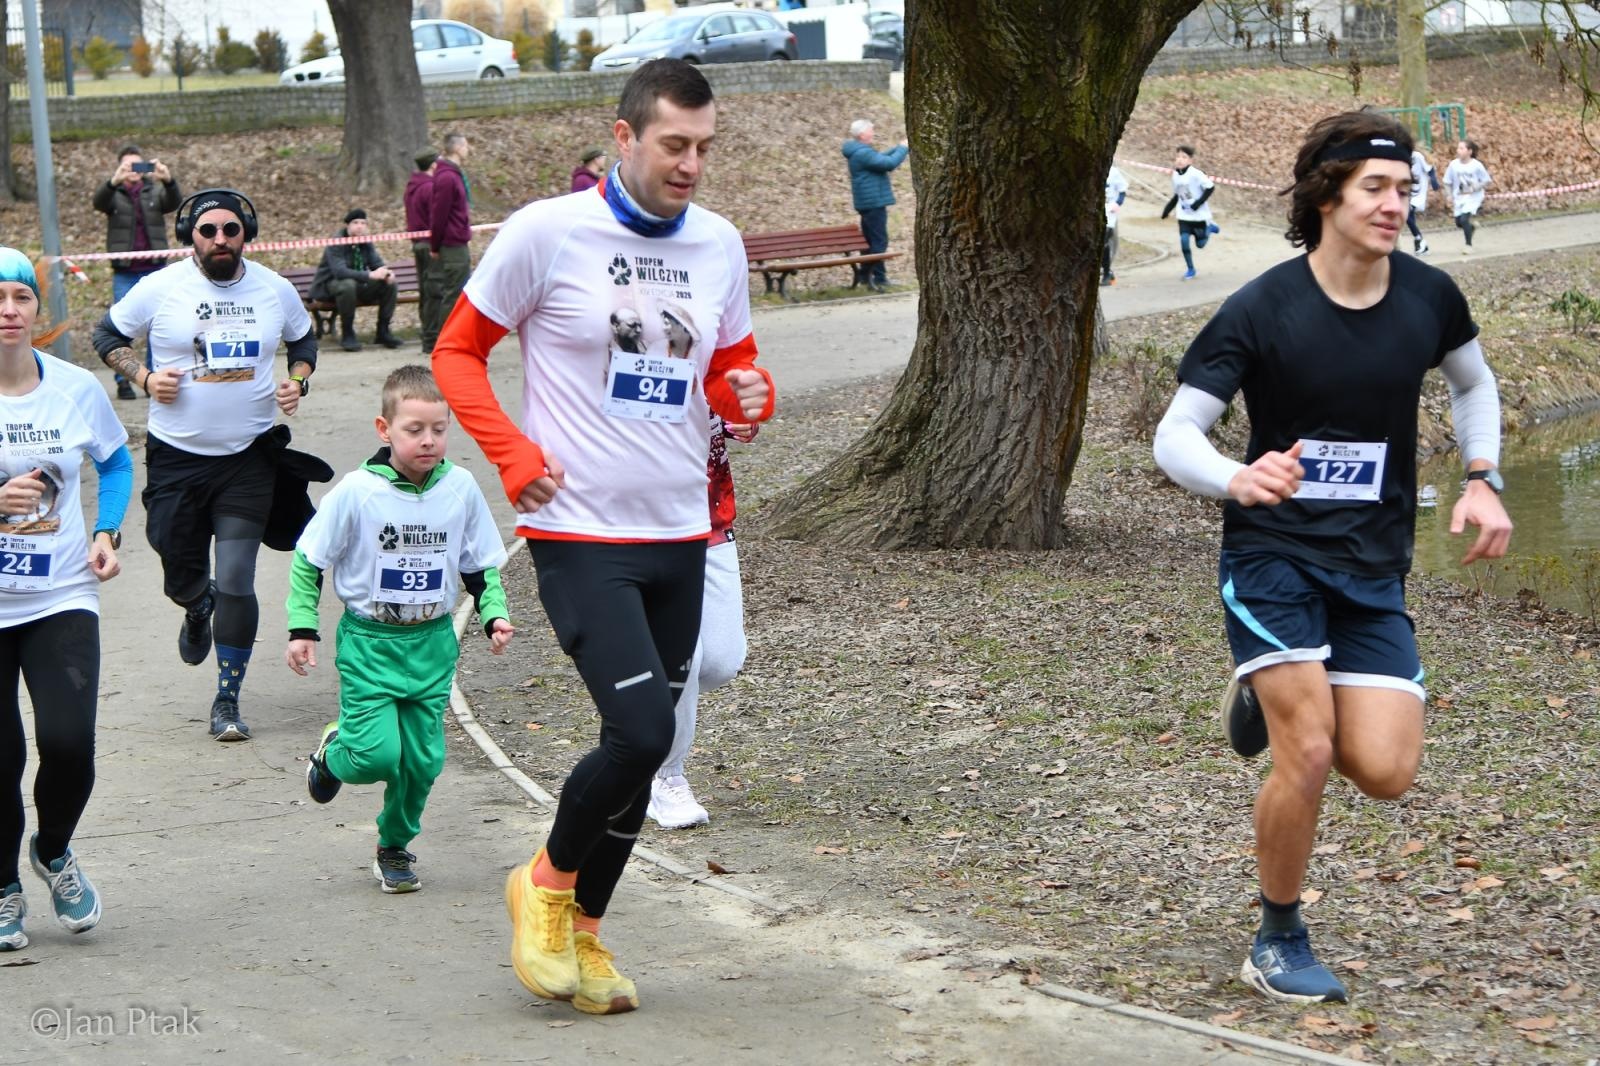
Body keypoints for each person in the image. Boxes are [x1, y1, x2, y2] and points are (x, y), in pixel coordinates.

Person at [432, 58, 774, 1016]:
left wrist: (749, 395)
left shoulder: (718, 245)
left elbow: (728, 367)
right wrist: (509, 451)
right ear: (624, 138)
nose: (693, 165)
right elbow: (456, 351)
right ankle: (542, 886)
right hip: (578, 529)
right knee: (642, 731)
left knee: (643, 751)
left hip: (682, 531)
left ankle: (584, 933)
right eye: (675, 145)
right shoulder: (548, 233)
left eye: (705, 148)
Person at [1152, 110, 1512, 1004]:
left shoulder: (1429, 299)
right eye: (1378, 189)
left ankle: (1256, 689)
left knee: (1387, 772)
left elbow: (1474, 383)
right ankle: (1277, 937)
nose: (1400, 203)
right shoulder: (1263, 307)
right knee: (1306, 752)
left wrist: (1481, 476)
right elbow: (1176, 434)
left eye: (1406, 187)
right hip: (1273, 552)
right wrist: (1238, 478)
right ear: (1327, 197)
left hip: (1372, 563)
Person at [92, 188, 319, 743]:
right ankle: (197, 604)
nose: (220, 239)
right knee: (176, 558)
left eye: (231, 230)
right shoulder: (161, 287)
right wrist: (142, 377)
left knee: (239, 574)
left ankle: (227, 698)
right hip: (177, 458)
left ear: (247, 233)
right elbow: (106, 334)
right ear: (190, 236)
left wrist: (299, 380)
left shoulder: (274, 288)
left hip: (249, 456)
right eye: (208, 231)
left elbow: (304, 337)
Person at [287, 365, 512, 893]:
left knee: (423, 761)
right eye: (415, 429)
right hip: (371, 642)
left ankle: (394, 846)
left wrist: (493, 614)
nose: (429, 440)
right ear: (384, 429)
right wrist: (302, 627)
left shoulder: (460, 488)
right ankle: (334, 752)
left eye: (439, 428)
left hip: (433, 642)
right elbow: (308, 559)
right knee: (374, 757)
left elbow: (481, 565)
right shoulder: (357, 492)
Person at [0, 247, 131, 951]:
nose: (9, 311)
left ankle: (52, 851)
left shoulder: (76, 388)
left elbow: (114, 461)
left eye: (20, 297)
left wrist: (107, 528)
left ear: (36, 311)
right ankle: (2, 887)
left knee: (69, 743)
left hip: (61, 592)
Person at [646, 416, 754, 830]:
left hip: (712, 523)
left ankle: (641, 695)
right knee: (684, 657)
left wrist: (740, 420)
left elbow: (736, 403)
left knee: (722, 661)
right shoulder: (626, 357)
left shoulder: (709, 357)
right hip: (652, 530)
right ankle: (664, 777)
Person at [91, 145, 180, 400]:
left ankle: (152, 378)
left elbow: (173, 202)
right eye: (128, 166)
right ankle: (123, 381)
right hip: (125, 272)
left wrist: (169, 180)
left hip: (155, 269)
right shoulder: (114, 194)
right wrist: (113, 181)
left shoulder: (153, 191)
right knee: (122, 327)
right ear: (120, 168)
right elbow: (98, 202)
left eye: (138, 166)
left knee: (157, 327)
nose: (134, 171)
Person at [309, 208, 402, 352]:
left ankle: (383, 331)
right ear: (348, 225)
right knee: (347, 285)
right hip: (330, 286)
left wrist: (387, 273)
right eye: (356, 222)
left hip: (356, 285)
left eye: (363, 223)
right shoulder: (337, 242)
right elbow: (339, 272)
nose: (360, 226)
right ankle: (348, 333)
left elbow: (376, 263)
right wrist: (369, 275)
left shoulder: (365, 241)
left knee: (389, 285)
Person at [841, 118, 909, 292]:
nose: (873, 134)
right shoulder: (863, 153)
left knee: (870, 242)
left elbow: (880, 158)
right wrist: (903, 149)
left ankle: (876, 277)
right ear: (863, 134)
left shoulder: (859, 151)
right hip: (873, 203)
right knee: (879, 242)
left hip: (867, 202)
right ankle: (868, 275)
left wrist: (898, 147)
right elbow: (889, 163)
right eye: (871, 131)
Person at [424, 133, 473, 355]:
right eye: (465, 145)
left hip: (458, 241)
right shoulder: (446, 177)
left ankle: (456, 337)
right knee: (453, 293)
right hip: (451, 244)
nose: (468, 149)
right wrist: (435, 245)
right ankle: (447, 341)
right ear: (457, 147)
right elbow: (439, 214)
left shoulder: (453, 174)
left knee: (459, 290)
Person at [1161, 144, 1220, 280]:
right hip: (1184, 215)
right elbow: (1177, 195)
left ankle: (1209, 228)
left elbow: (1210, 188)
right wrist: (1166, 210)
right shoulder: (1175, 175)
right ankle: (1191, 269)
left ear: (1190, 160)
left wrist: (1198, 203)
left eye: (1184, 157)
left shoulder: (1196, 174)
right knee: (1184, 240)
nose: (1180, 160)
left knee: (1200, 245)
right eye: (1178, 157)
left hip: (1199, 216)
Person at [405, 150, 440, 353]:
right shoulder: (429, 188)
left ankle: (428, 333)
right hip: (428, 244)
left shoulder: (412, 187)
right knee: (434, 291)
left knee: (426, 291)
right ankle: (432, 336)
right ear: (433, 166)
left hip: (418, 243)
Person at [1443, 139, 1491, 254]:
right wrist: (1449, 195)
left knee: (1464, 219)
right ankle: (1471, 227)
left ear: (1469, 151)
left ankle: (1468, 246)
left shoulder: (1476, 165)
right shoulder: (1453, 165)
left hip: (1473, 197)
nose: (1458, 150)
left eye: (1461, 148)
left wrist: (1477, 186)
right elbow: (1446, 181)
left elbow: (1487, 181)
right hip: (1459, 197)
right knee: (1459, 222)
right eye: (1458, 148)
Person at [1102, 164, 1129, 287]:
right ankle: (1107, 271)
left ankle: (1106, 274)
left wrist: (1118, 203)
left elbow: (1123, 189)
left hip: (1109, 213)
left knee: (1104, 242)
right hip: (1094, 211)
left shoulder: (1114, 172)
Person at [1407, 147, 1438, 255]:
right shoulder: (1400, 156)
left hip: (1418, 192)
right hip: (1406, 192)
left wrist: (1434, 180)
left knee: (1407, 213)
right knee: (1409, 217)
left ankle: (1419, 239)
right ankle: (1419, 244)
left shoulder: (1416, 156)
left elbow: (1430, 168)